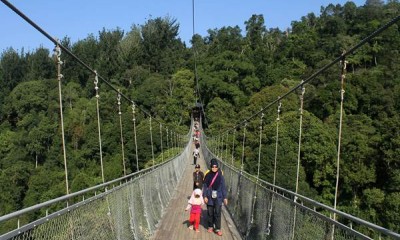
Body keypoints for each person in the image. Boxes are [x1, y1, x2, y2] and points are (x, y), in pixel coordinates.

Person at [203, 159, 228, 236]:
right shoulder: (207, 175)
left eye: (216, 166)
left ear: (217, 167)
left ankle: (217, 228)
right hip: (209, 197)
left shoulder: (221, 176)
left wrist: (225, 197)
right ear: (211, 166)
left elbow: (223, 187)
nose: (214, 168)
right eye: (213, 166)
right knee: (210, 213)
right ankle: (210, 226)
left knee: (217, 213)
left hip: (218, 197)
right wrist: (205, 196)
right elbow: (205, 187)